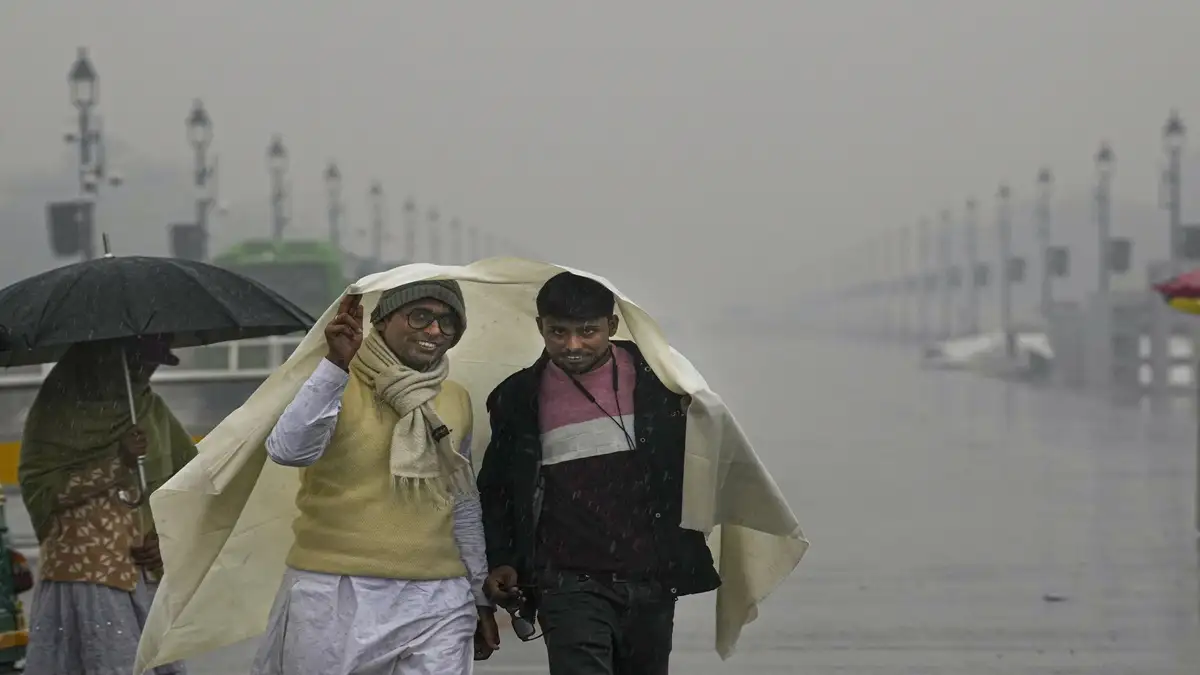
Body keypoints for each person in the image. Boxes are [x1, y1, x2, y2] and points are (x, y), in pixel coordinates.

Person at [478, 271, 721, 675]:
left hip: (651, 578)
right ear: (540, 327)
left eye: (587, 331)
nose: (572, 345)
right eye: (558, 332)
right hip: (567, 583)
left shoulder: (662, 384)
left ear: (611, 325)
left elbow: (708, 461)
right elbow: (498, 487)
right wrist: (502, 558)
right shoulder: (518, 397)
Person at [251, 280, 499, 675]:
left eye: (448, 322)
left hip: (438, 598)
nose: (435, 332)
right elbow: (288, 450)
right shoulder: (335, 383)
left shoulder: (455, 399)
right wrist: (335, 365)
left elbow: (463, 501)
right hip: (335, 595)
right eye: (420, 317)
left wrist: (479, 596)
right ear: (382, 321)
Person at [20, 336, 196, 675]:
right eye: (138, 365)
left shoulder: (150, 409)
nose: (146, 374)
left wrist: (165, 538)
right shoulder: (60, 411)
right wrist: (120, 463)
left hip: (143, 572)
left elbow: (189, 481)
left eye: (153, 365)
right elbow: (45, 490)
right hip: (86, 573)